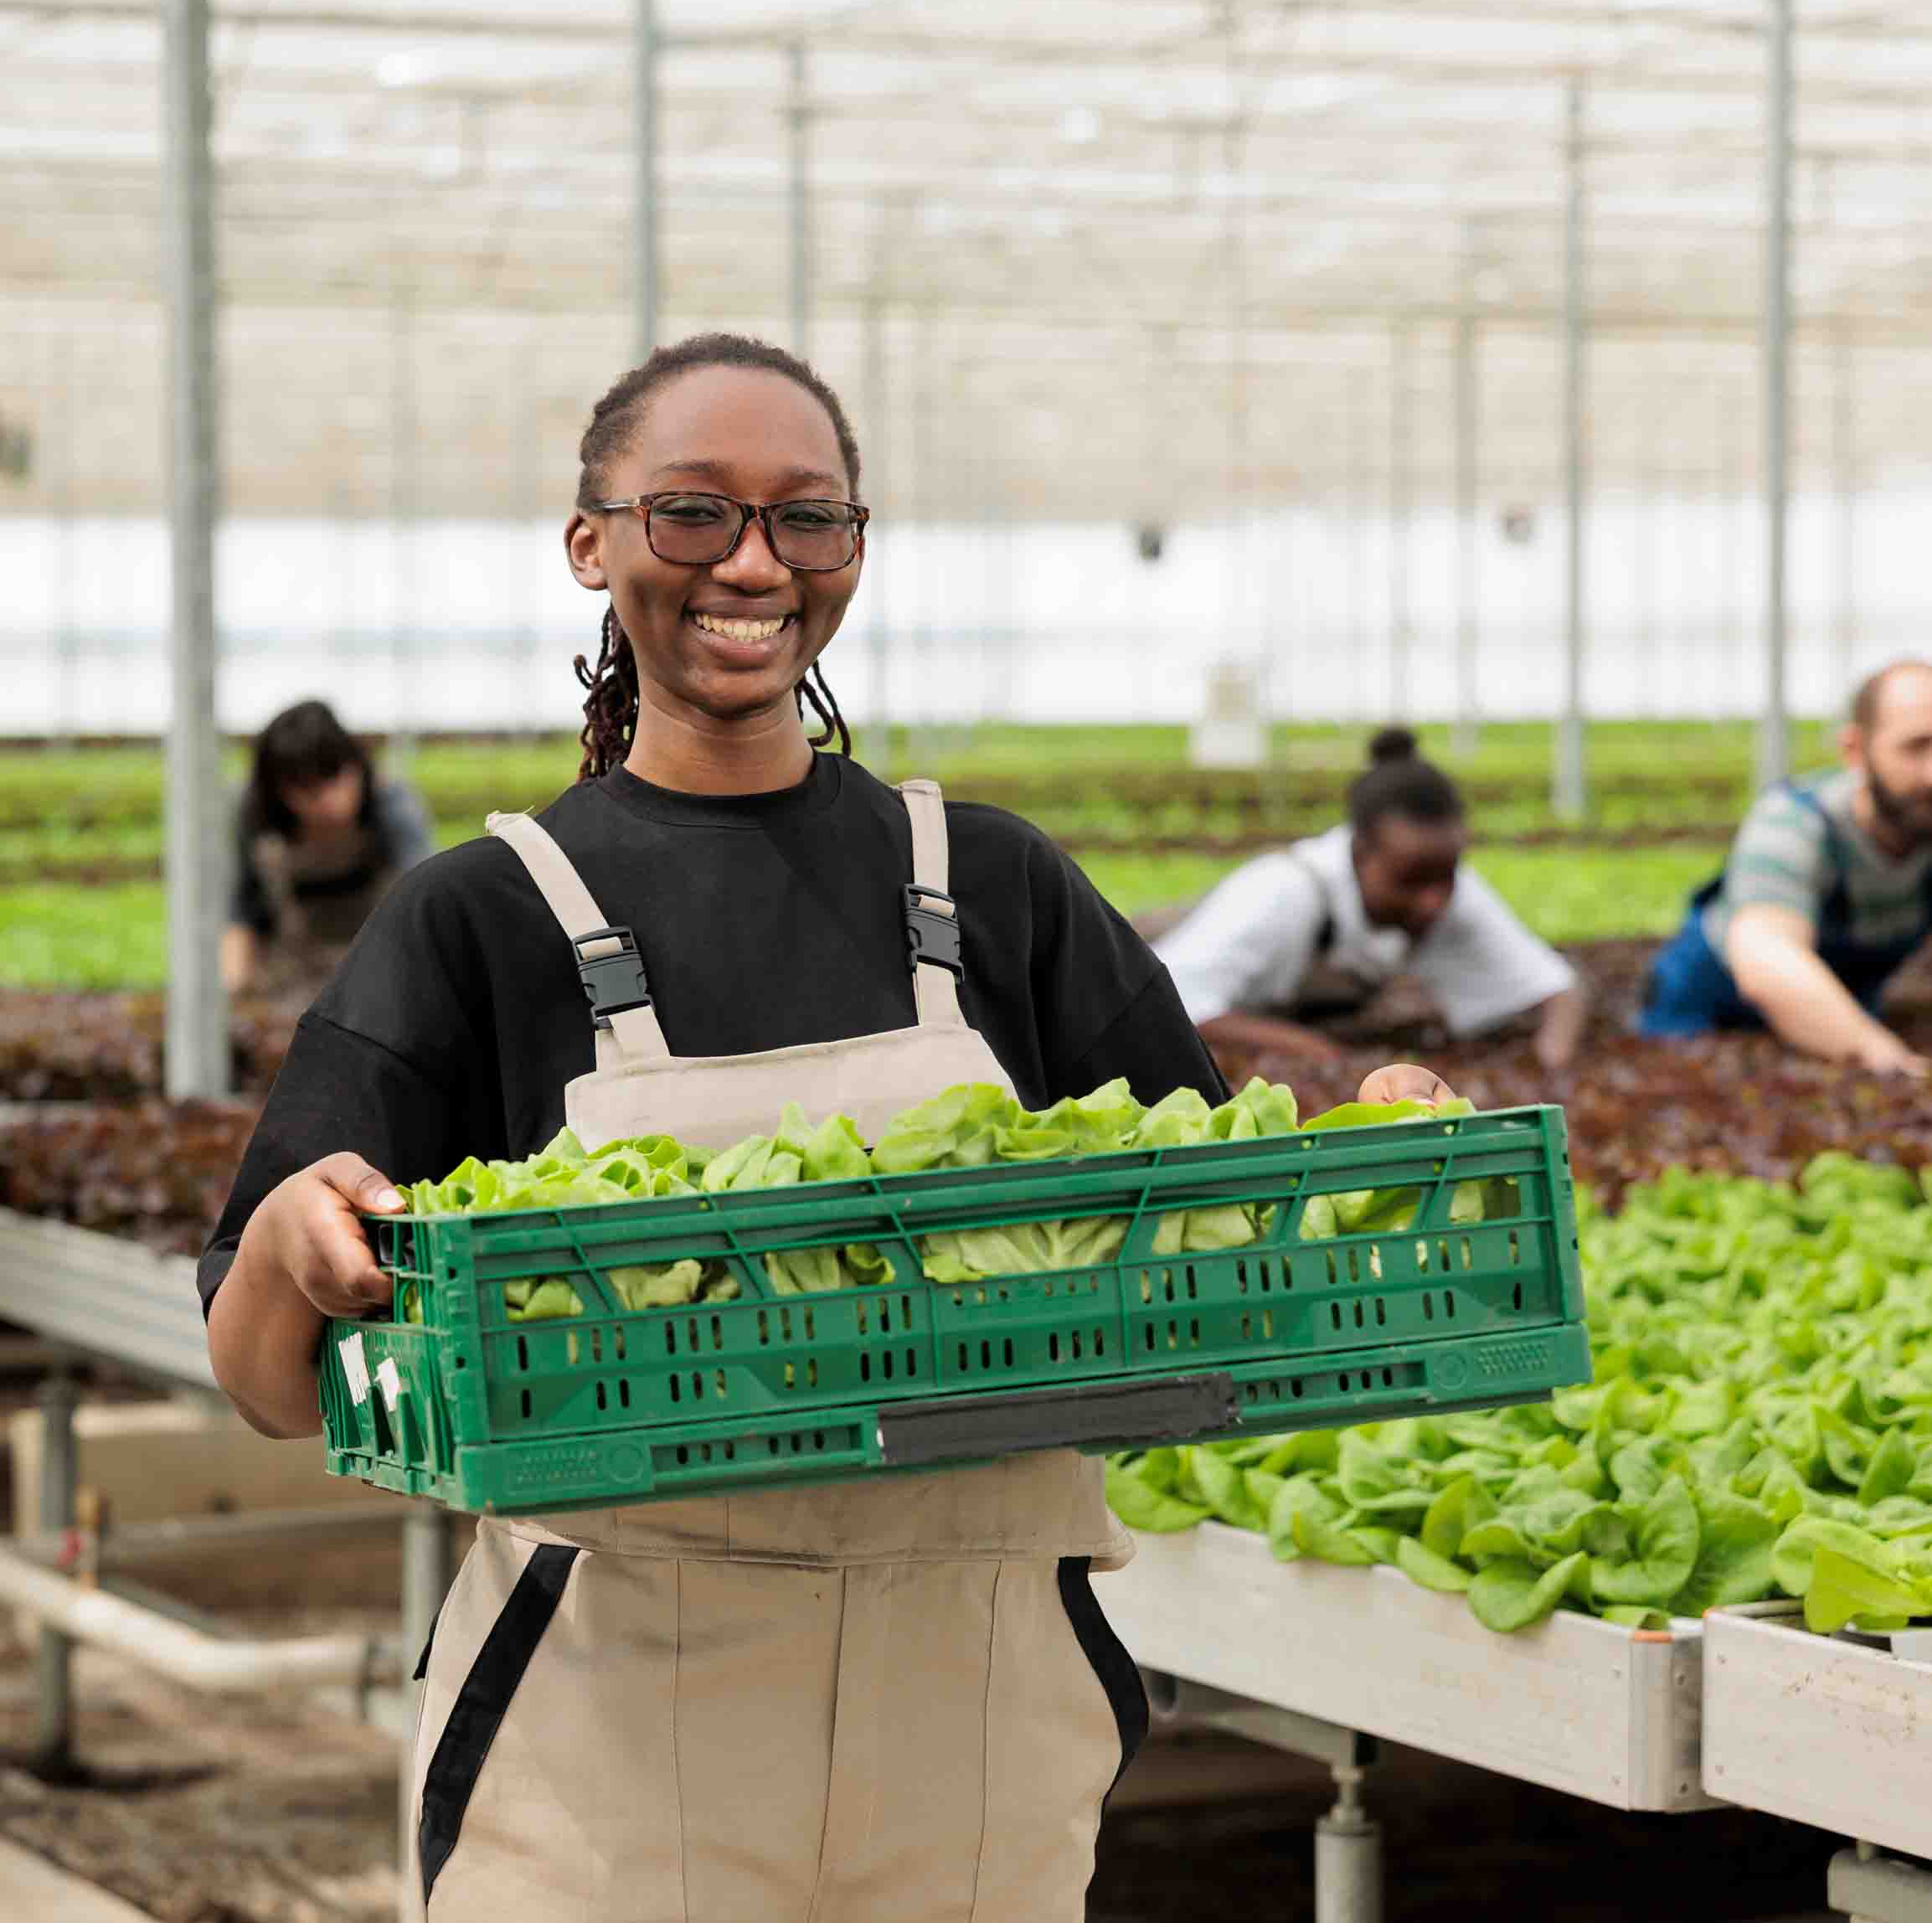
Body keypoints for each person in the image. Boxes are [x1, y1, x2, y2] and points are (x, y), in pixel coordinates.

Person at [197, 333, 1453, 1922]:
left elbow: (1201, 1244)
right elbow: (257, 1380)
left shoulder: (992, 888)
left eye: (807, 518)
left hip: (979, 1722)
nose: (752, 563)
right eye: (690, 514)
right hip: (615, 1739)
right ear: (590, 542)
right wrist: (309, 1239)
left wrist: (1364, 1158)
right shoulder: (480, 919)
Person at [1156, 728, 1588, 1075]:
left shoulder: (1443, 884)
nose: (1433, 903)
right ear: (1360, 854)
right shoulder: (1282, 892)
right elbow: (1170, 1004)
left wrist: (1552, 1066)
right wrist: (1316, 1052)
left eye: (1447, 878)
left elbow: (1558, 991)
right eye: (1411, 882)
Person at [1640, 659, 1932, 1075]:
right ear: (1856, 750)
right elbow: (1766, 958)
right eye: (1915, 747)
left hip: (1836, 1018)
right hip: (1707, 1022)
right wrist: (1878, 1053)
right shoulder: (1794, 824)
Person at [221, 700, 432, 994]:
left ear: (355, 764)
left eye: (333, 777)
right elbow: (243, 910)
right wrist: (233, 998)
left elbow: (424, 903)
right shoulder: (256, 816)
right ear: (279, 790)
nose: (327, 799)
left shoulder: (391, 805)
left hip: (379, 984)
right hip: (290, 984)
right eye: (306, 789)